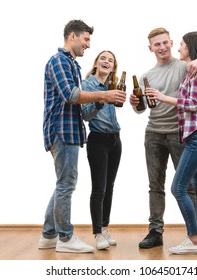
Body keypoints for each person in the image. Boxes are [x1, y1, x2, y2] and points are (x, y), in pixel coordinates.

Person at [39, 20, 126, 253]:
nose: (88, 45)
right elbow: (70, 94)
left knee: (63, 184)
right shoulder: (58, 61)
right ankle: (65, 238)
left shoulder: (72, 65)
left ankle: (48, 234)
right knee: (66, 185)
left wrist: (106, 96)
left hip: (71, 132)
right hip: (61, 130)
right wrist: (103, 95)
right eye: (86, 39)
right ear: (73, 37)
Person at [129, 27, 197, 249]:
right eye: (157, 44)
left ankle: (195, 236)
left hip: (182, 134)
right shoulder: (146, 76)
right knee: (155, 186)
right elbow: (142, 109)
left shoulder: (186, 66)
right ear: (150, 48)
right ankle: (155, 232)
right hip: (154, 134)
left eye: (166, 42)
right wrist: (135, 104)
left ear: (171, 42)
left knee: (186, 187)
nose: (163, 47)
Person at [81, 51, 122, 250]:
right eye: (103, 58)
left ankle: (105, 228)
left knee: (110, 186)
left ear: (113, 67)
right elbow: (86, 116)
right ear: (96, 62)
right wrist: (100, 100)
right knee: (99, 188)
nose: (106, 62)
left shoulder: (112, 86)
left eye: (110, 60)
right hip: (98, 140)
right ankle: (97, 233)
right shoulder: (87, 84)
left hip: (115, 139)